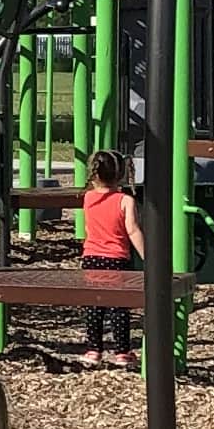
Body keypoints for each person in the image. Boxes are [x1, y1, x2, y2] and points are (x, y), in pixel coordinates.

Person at [78, 145, 142, 369]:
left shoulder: (88, 198)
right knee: (119, 306)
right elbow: (133, 230)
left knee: (94, 304)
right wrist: (148, 257)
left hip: (91, 257)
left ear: (94, 173)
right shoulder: (125, 201)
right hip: (116, 258)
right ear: (121, 174)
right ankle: (122, 352)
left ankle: (93, 350)